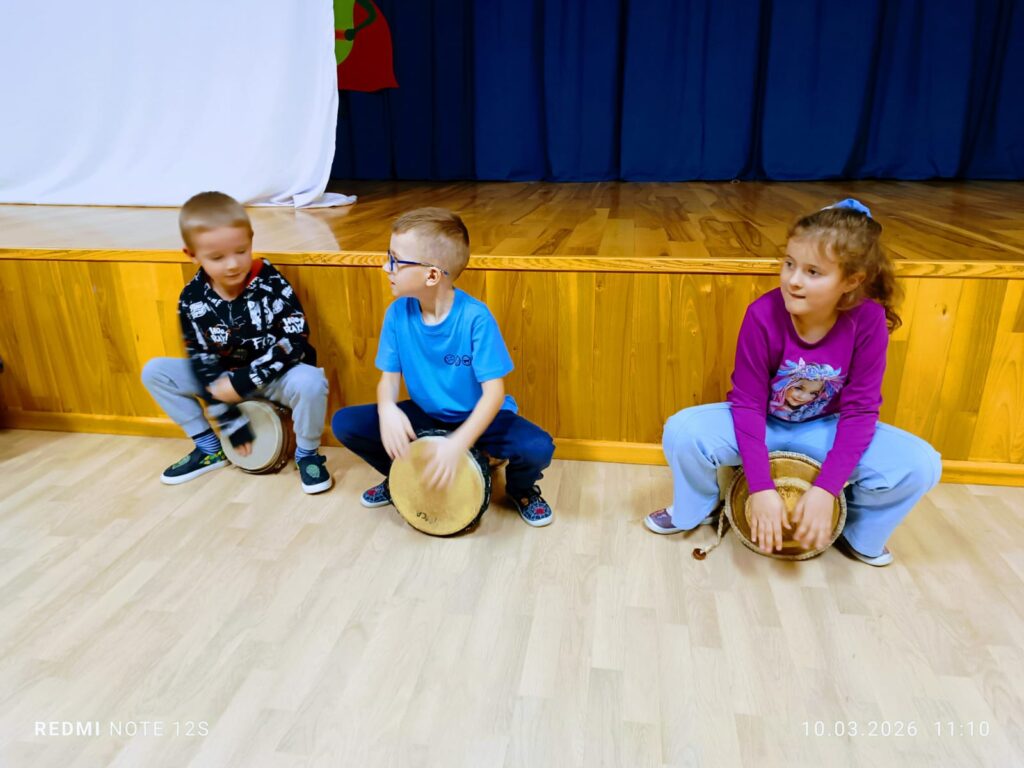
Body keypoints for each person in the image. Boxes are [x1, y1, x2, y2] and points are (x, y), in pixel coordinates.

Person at [645, 199, 941, 566]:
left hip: (824, 430)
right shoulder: (762, 314)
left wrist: (825, 492)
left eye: (813, 272)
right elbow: (748, 403)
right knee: (683, 431)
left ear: (851, 280)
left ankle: (856, 533)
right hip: (762, 426)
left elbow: (861, 410)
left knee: (922, 464)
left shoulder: (868, 321)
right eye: (789, 264)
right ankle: (697, 508)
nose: (794, 280)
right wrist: (761, 487)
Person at [331, 207, 555, 526]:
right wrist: (387, 410)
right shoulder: (397, 314)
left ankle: (521, 490)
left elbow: (493, 394)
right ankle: (401, 477)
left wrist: (459, 443)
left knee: (538, 446)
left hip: (482, 416)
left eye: (395, 259)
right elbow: (389, 380)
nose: (386, 266)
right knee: (346, 423)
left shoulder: (476, 318)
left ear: (432, 274)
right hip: (428, 415)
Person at [141, 191, 332, 493]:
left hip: (275, 377)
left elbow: (294, 341)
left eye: (241, 251)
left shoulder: (271, 283)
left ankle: (308, 454)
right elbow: (202, 361)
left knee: (311, 382)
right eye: (217, 258)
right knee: (155, 371)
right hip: (224, 380)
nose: (232, 264)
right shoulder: (191, 298)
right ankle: (208, 448)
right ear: (191, 254)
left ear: (251, 239)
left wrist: (243, 382)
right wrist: (231, 421)